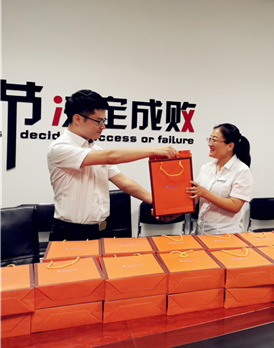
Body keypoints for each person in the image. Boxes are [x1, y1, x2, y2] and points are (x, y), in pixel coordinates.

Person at [47, 89, 177, 241]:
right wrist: (153, 150)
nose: (103, 126)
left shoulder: (95, 149)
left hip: (102, 230)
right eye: (99, 121)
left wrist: (160, 204)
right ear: (77, 119)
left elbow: (123, 182)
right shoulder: (60, 148)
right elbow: (111, 157)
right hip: (71, 233)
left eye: (104, 121)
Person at [186, 124, 253, 235]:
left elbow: (235, 205)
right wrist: (171, 213)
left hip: (225, 235)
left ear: (230, 146)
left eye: (214, 140)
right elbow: (195, 197)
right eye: (210, 139)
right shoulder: (206, 168)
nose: (209, 144)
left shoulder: (242, 170)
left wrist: (205, 193)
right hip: (201, 232)